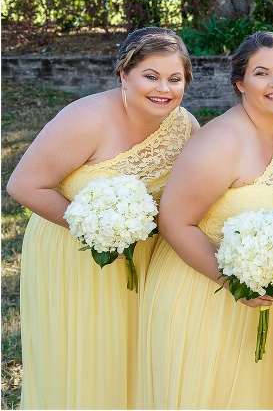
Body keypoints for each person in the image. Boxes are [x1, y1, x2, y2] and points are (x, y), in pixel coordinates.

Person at [7, 27, 197, 409]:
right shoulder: (86, 119)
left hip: (143, 258)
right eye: (151, 76)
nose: (164, 88)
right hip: (74, 252)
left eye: (175, 79)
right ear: (124, 75)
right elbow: (24, 185)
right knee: (86, 356)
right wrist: (100, 230)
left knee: (134, 358)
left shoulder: (186, 126)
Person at [138, 32, 273, 409]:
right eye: (262, 73)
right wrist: (230, 281)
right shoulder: (222, 140)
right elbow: (175, 222)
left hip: (261, 305)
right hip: (201, 297)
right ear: (240, 83)